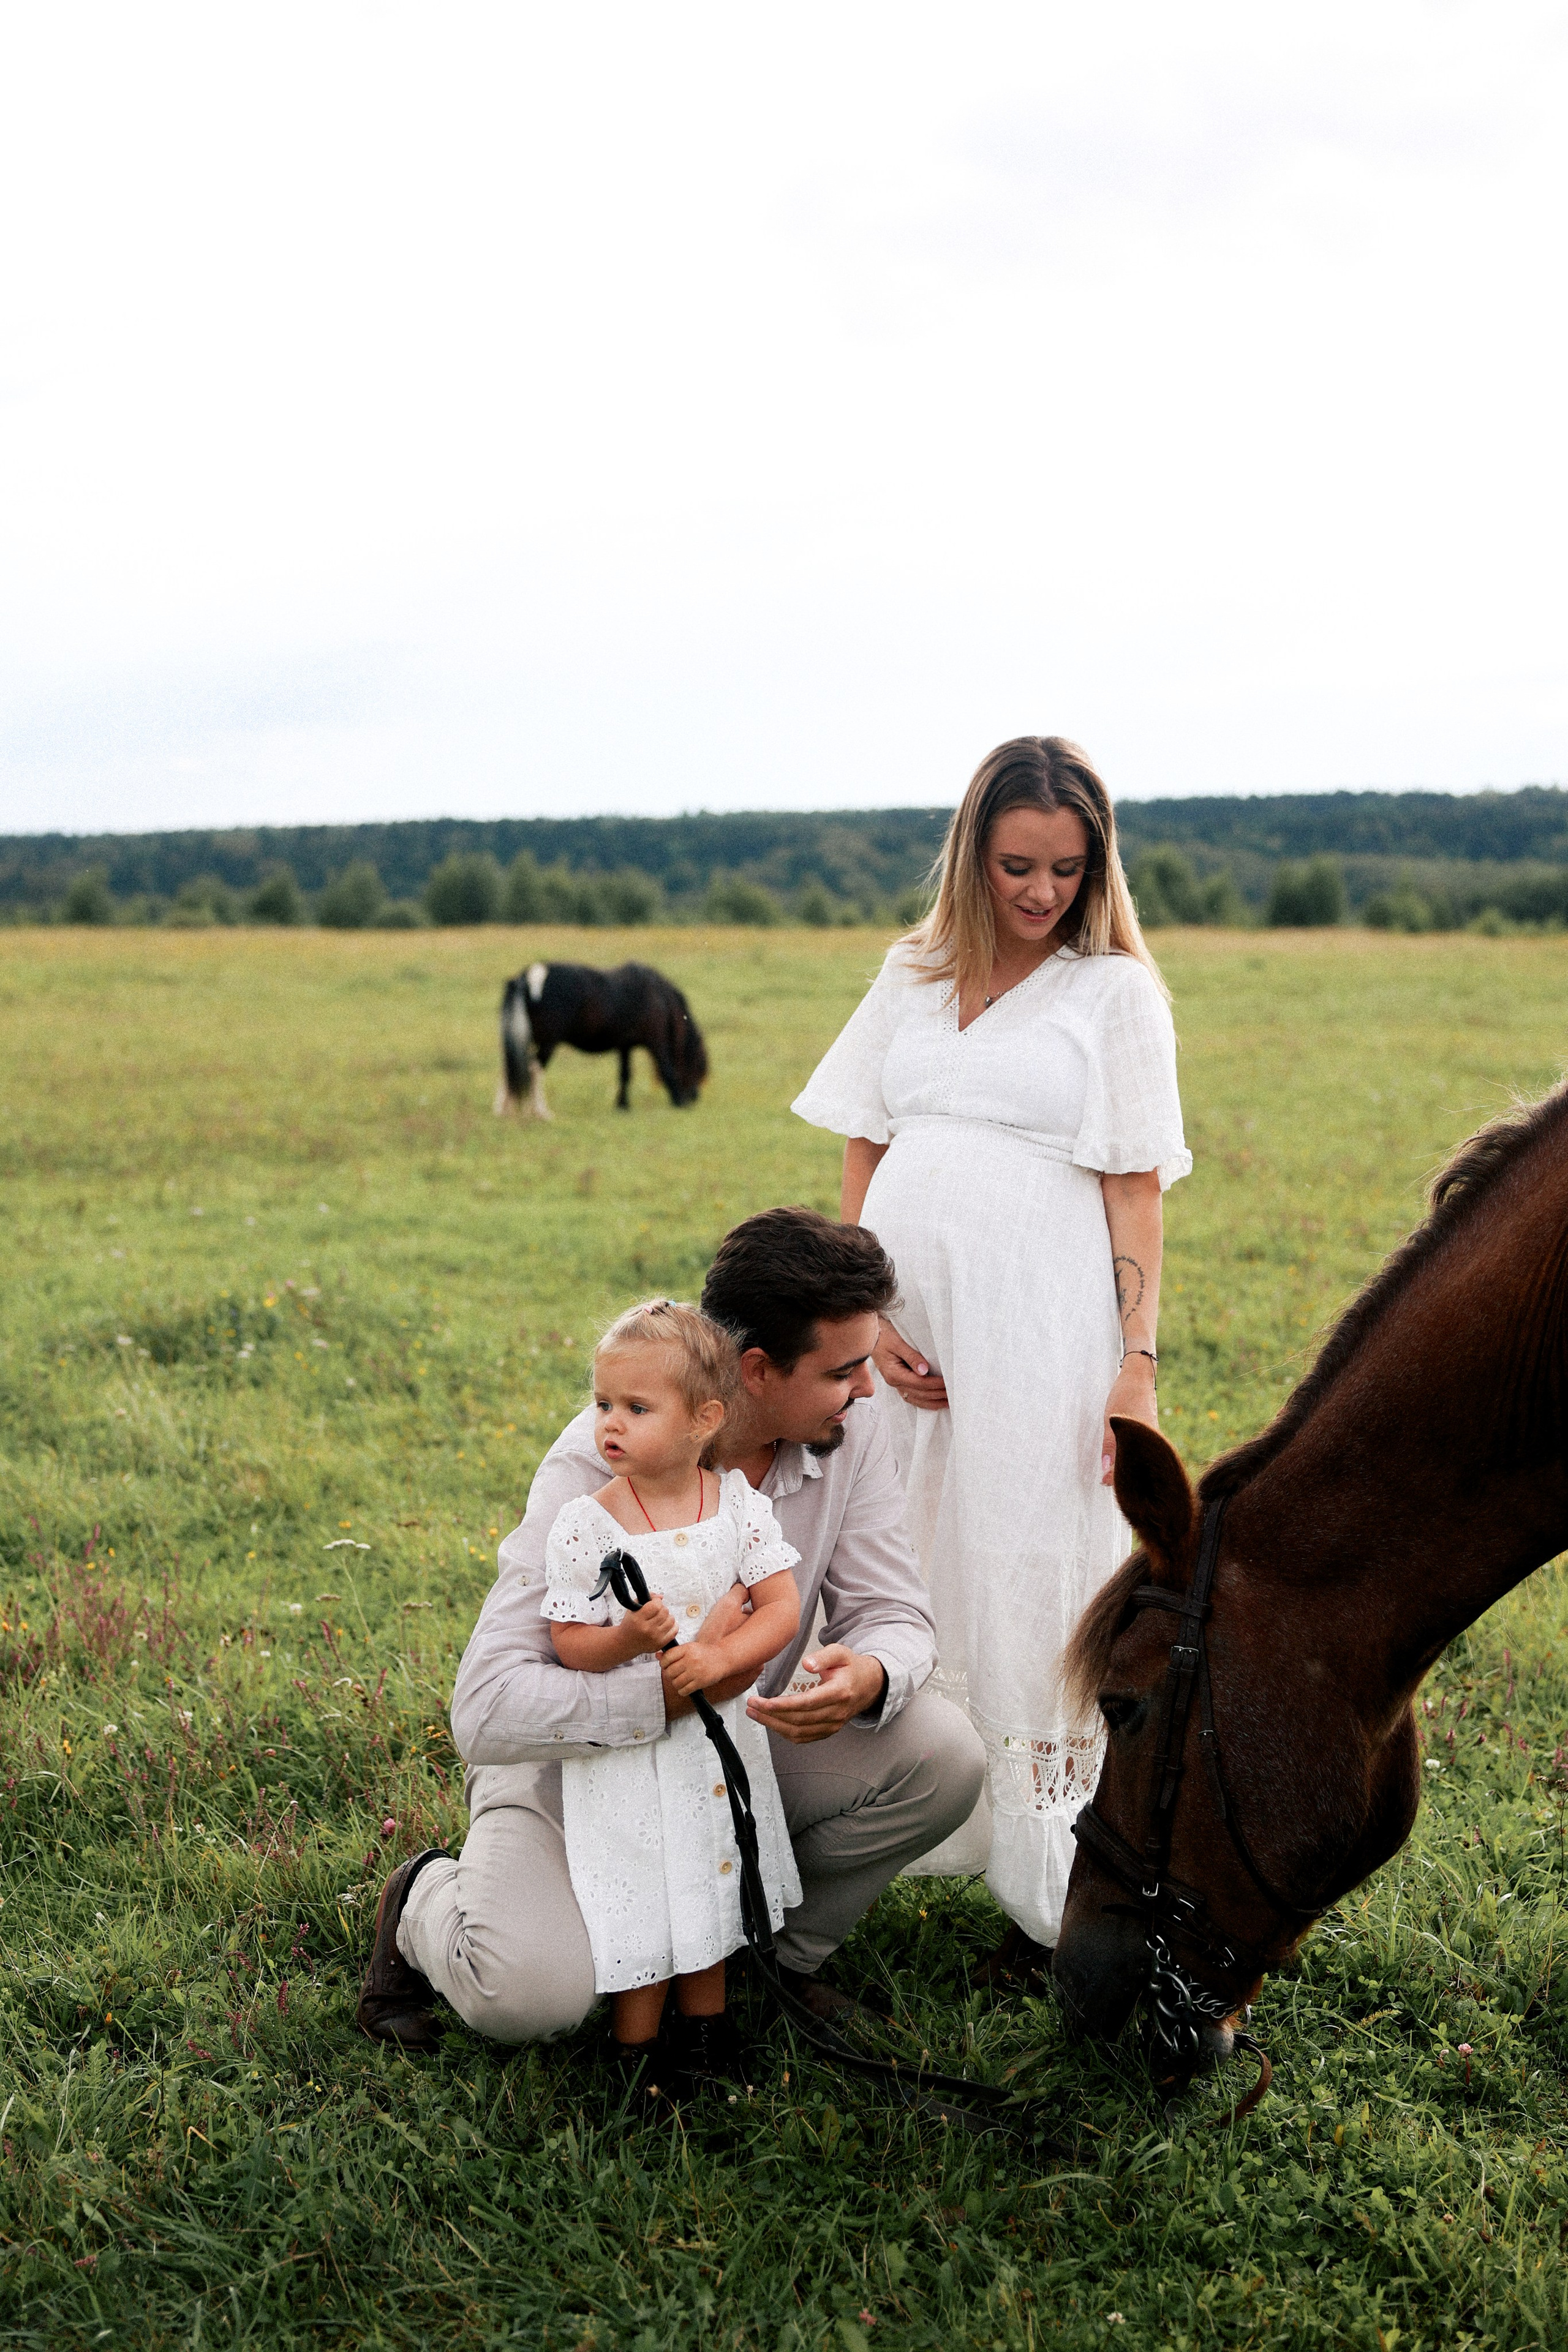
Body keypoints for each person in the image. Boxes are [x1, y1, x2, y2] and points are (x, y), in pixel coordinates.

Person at [356, 1207, 986, 2062]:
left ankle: (765, 1960)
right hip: (578, 1777)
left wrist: (872, 1672)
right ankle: (422, 1900)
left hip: (734, 1755)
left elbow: (895, 1611)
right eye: (845, 1370)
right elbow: (486, 1708)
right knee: (530, 2000)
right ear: (757, 1372)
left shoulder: (849, 1431)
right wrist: (670, 1688)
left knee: (943, 1757)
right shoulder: (600, 1462)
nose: (869, 1389)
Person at [791, 735, 1189, 1975]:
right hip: (899, 1340)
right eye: (1016, 864)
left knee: (1026, 1562)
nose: (1039, 892)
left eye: (1066, 870)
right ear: (971, 854)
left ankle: (1047, 1879)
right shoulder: (909, 975)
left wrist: (1134, 1357)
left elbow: (1133, 1189)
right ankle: (861, 1822)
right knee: (889, 1551)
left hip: (1038, 1335)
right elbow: (864, 1146)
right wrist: (868, 1322)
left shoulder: (1111, 994)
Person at [543, 1298, 802, 2090]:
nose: (610, 1424)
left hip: (717, 1741)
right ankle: (635, 2056)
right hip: (633, 1760)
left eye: (636, 1408)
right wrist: (625, 1641)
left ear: (704, 1420)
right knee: (645, 1894)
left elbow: (782, 1607)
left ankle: (707, 2034)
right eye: (602, 1405)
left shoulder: (736, 1508)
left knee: (712, 1877)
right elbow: (569, 1641)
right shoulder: (588, 1527)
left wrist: (721, 1657)